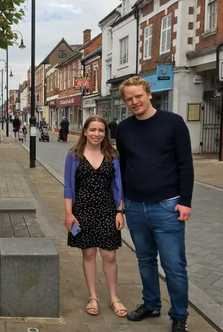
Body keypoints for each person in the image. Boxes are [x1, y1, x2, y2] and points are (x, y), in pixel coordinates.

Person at [116, 76, 194, 332]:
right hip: (135, 206)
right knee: (145, 260)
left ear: (149, 94)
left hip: (168, 207)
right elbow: (124, 166)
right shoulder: (124, 128)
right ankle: (151, 304)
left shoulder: (173, 123)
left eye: (138, 96)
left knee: (173, 265)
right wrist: (122, 203)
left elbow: (185, 164)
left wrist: (185, 201)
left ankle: (179, 315)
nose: (134, 101)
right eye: (129, 98)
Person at [63, 115, 127, 318]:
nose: (97, 134)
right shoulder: (74, 155)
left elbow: (119, 186)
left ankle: (114, 297)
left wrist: (119, 211)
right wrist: (68, 214)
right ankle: (93, 296)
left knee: (109, 255)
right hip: (83, 211)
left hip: (108, 211)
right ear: (85, 131)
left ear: (105, 133)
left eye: (101, 130)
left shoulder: (112, 155)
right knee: (88, 254)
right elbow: (68, 186)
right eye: (93, 130)